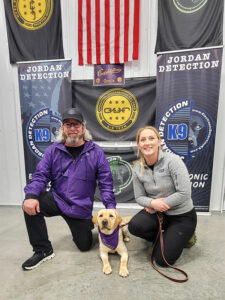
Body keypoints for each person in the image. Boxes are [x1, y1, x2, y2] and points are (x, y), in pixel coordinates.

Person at [22, 107, 116, 270]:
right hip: (57, 199)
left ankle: (87, 228)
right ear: (63, 129)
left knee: (85, 245)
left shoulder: (96, 152)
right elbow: (41, 175)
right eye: (68, 124)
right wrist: (31, 195)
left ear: (83, 128)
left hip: (80, 207)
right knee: (29, 205)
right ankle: (43, 250)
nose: (72, 128)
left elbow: (106, 182)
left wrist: (111, 207)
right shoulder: (53, 150)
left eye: (76, 124)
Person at [128, 126, 197, 267]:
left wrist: (159, 205)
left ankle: (187, 237)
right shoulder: (136, 168)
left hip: (182, 216)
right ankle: (165, 238)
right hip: (158, 214)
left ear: (159, 142)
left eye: (151, 138)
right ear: (139, 145)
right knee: (135, 226)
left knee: (163, 261)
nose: (147, 143)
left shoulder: (173, 161)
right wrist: (152, 203)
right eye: (143, 140)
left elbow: (184, 193)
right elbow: (139, 197)